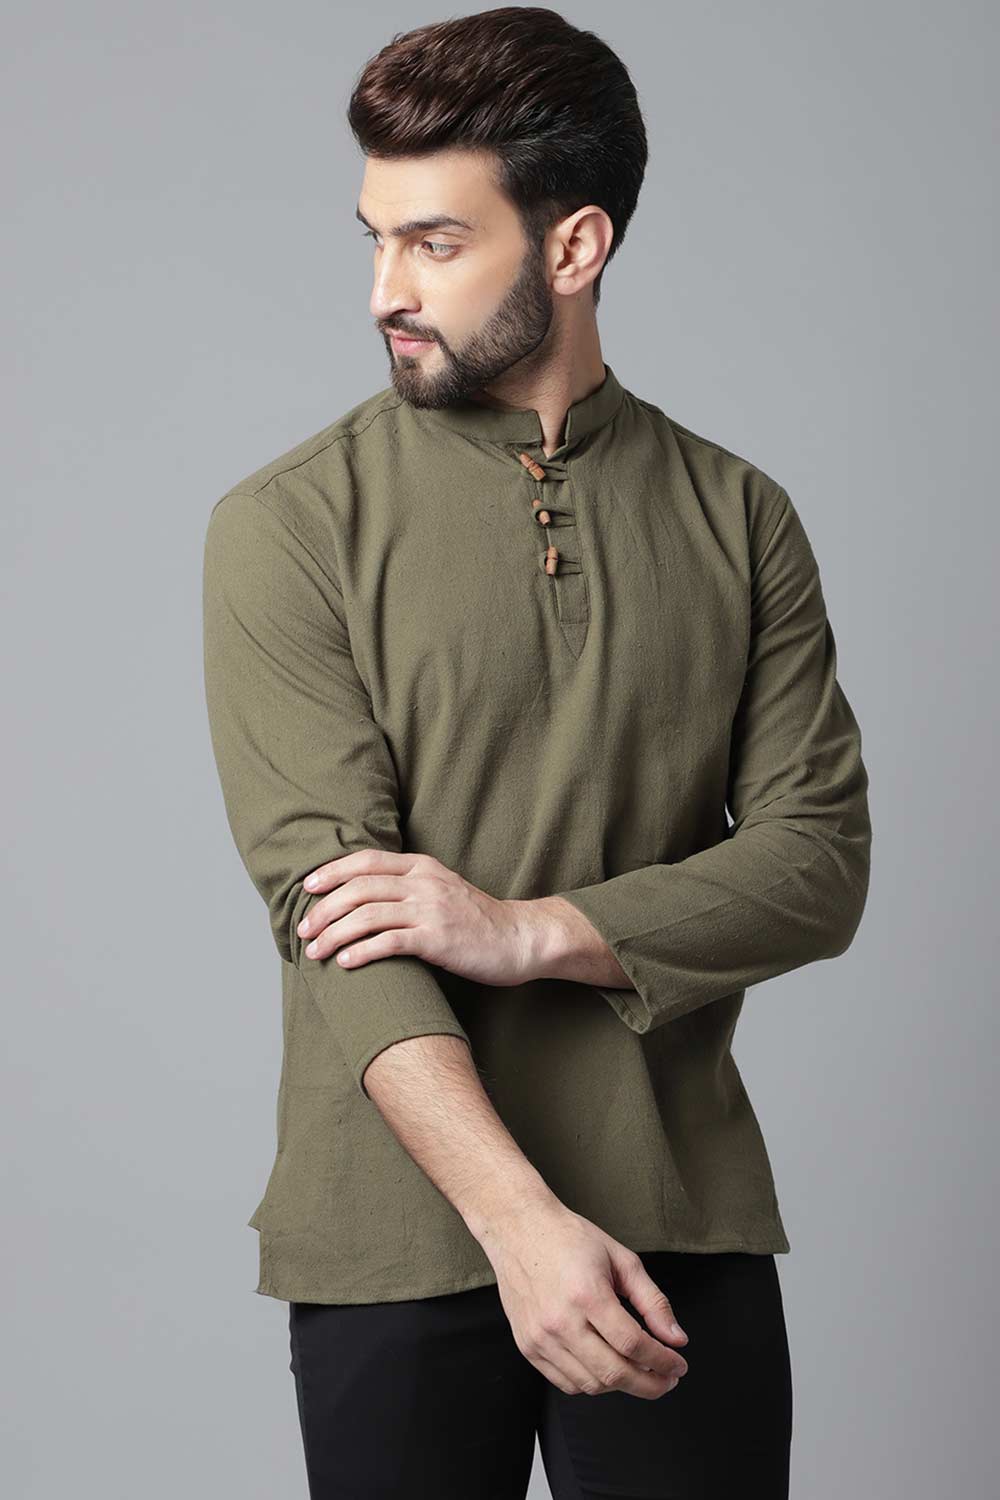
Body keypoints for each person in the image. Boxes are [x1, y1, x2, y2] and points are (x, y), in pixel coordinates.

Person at [201, 7, 871, 1496]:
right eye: (376, 238)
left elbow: (818, 866)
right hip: (398, 1234)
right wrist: (520, 1224)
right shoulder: (288, 524)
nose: (385, 289)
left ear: (574, 247)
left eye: (435, 243)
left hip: (674, 1220)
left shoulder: (740, 517)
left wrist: (526, 930)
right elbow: (336, 921)